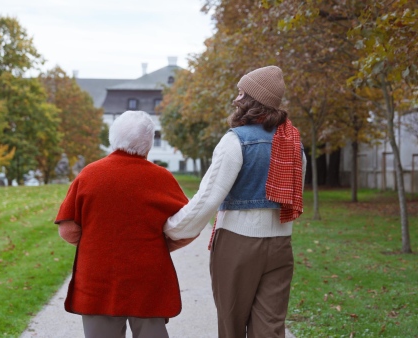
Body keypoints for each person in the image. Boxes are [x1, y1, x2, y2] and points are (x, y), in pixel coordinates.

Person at [164, 65, 307, 338]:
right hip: (280, 244)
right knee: (270, 328)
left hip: (238, 244)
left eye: (241, 93)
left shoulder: (236, 141)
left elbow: (207, 198)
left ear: (254, 101)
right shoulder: (295, 144)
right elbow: (293, 193)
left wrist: (172, 230)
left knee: (231, 326)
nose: (236, 99)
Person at [55, 110, 194, 338]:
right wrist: (159, 246)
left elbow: (68, 229)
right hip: (148, 277)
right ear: (148, 144)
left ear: (113, 138)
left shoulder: (89, 174)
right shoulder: (162, 178)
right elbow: (188, 226)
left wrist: (98, 241)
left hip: (97, 277)